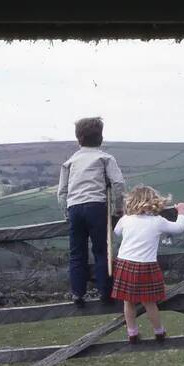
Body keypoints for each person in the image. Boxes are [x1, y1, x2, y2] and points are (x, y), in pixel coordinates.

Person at [56, 117, 126, 307]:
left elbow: (62, 192)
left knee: (77, 252)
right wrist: (118, 208)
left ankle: (78, 293)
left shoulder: (69, 162)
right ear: (101, 137)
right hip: (96, 206)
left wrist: (66, 214)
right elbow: (118, 183)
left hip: (75, 208)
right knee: (101, 251)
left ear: (78, 138)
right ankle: (106, 292)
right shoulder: (105, 158)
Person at [110, 185, 184, 344]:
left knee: (128, 301)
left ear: (131, 201)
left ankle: (132, 333)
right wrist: (181, 212)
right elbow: (179, 228)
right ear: (154, 201)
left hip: (125, 263)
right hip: (146, 266)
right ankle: (159, 331)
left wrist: (125, 215)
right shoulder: (157, 221)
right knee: (149, 302)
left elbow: (116, 232)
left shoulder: (126, 219)